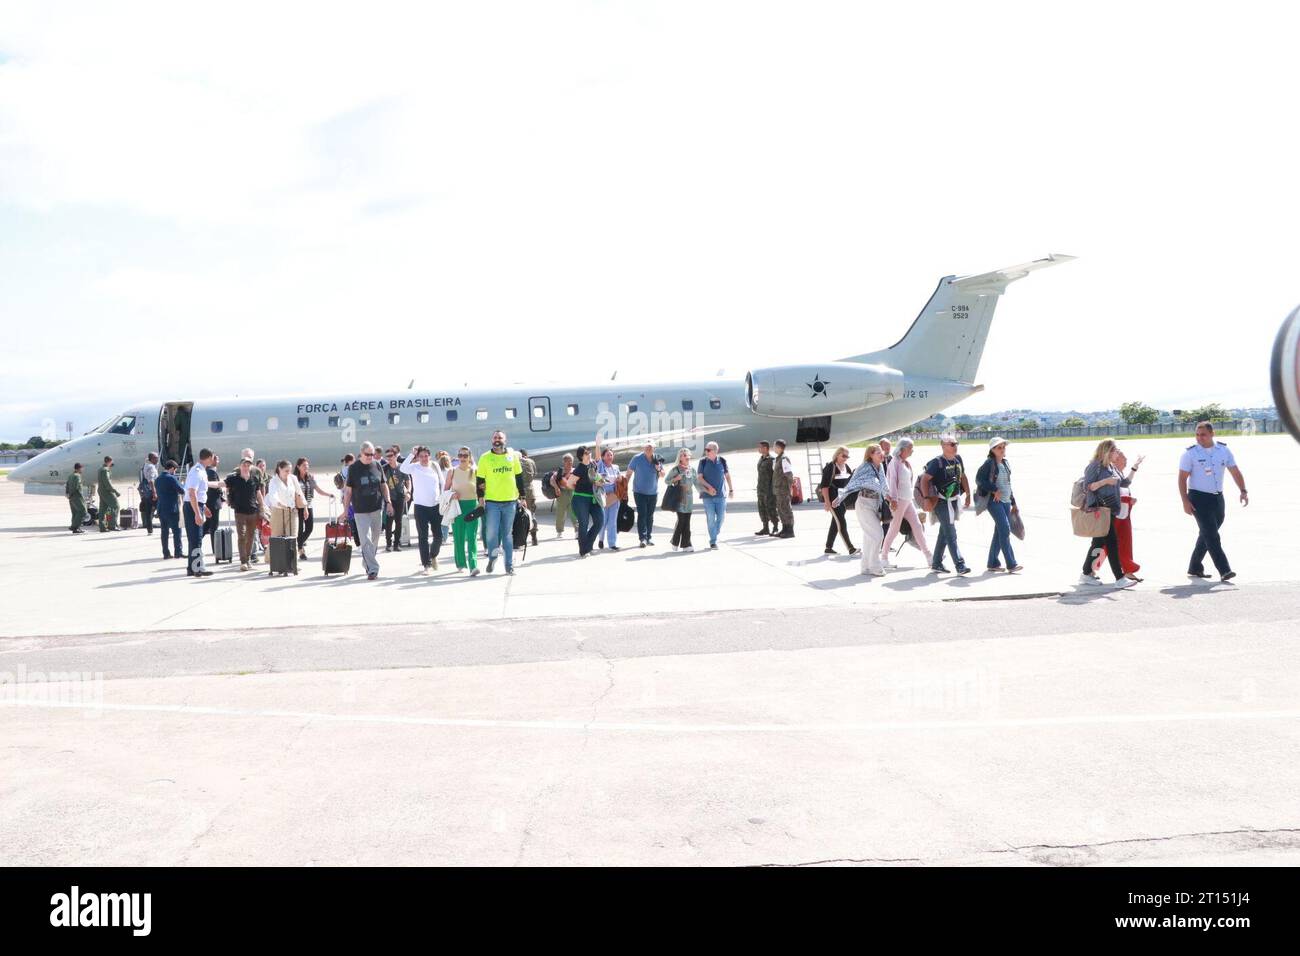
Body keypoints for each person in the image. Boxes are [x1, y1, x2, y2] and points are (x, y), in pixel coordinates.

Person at [1178, 420, 1247, 582]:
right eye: (1197, 434)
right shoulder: (1190, 454)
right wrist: (1185, 501)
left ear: (1212, 434)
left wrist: (1243, 490)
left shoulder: (1223, 450)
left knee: (1207, 533)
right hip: (1198, 498)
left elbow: (1235, 471)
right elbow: (1181, 479)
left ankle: (1195, 566)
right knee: (1212, 535)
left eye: (1203, 435)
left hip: (1217, 498)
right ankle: (1224, 570)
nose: (1199, 438)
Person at [1080, 439, 1136, 588]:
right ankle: (1119, 578)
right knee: (1112, 542)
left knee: (1098, 542)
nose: (1117, 453)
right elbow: (1087, 487)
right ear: (1107, 451)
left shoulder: (1111, 467)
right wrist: (1105, 482)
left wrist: (1134, 469)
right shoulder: (1094, 466)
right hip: (1100, 509)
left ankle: (1086, 573)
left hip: (1111, 509)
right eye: (1115, 451)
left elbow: (1123, 483)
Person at [834, 445, 888, 576]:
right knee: (878, 534)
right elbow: (852, 483)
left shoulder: (879, 467)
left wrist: (890, 497)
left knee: (869, 537)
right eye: (878, 452)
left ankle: (865, 567)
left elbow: (883, 485)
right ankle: (875, 565)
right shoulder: (864, 467)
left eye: (882, 452)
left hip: (876, 504)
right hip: (864, 504)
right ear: (871, 454)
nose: (882, 454)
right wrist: (840, 497)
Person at [920, 435, 971, 575]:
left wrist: (968, 494)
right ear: (943, 445)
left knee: (944, 532)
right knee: (951, 533)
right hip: (941, 502)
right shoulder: (937, 462)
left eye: (956, 443)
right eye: (952, 444)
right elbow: (924, 480)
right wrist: (925, 498)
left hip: (954, 500)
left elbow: (963, 476)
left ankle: (936, 563)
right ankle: (960, 564)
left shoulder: (958, 459)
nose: (955, 446)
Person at [476, 430, 524, 575]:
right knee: (491, 533)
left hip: (510, 502)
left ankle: (509, 565)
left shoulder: (513, 456)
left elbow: (519, 477)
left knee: (507, 534)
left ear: (505, 440)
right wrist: (481, 499)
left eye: (500, 437)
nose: (497, 440)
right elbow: (480, 481)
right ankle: (493, 557)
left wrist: (522, 496)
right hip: (492, 502)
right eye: (495, 437)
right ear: (492, 440)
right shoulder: (485, 458)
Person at [343, 442, 392, 580]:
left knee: (375, 539)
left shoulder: (377, 465)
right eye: (368, 454)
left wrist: (388, 502)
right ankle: (373, 569)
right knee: (366, 540)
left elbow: (383, 485)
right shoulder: (353, 468)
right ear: (361, 453)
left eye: (372, 454)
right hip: (360, 510)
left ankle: (367, 563)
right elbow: (348, 491)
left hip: (376, 508)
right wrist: (346, 510)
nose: (371, 456)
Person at [1093, 449, 1143, 580]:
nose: (1126, 460)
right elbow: (1112, 494)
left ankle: (1128, 570)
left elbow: (1126, 483)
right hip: (1114, 515)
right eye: (1123, 458)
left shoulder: (1119, 473)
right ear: (1115, 459)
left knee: (1126, 544)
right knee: (1104, 545)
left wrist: (1134, 467)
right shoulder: (1109, 473)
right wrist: (1127, 500)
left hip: (1124, 515)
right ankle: (1091, 569)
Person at [880, 437, 931, 566]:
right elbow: (892, 482)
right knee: (894, 529)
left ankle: (929, 557)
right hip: (899, 501)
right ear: (902, 449)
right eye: (910, 448)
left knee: (918, 526)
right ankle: (884, 558)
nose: (912, 451)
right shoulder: (894, 463)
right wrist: (894, 500)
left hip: (907, 500)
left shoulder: (905, 463)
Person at [976, 437, 1022, 573]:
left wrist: (1014, 502)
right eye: (999, 448)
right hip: (994, 501)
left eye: (1003, 447)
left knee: (999, 532)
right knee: (1005, 529)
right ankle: (1011, 564)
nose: (1002, 450)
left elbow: (1008, 484)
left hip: (1006, 501)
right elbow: (979, 479)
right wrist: (994, 489)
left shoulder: (1006, 463)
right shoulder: (989, 463)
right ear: (992, 450)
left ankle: (992, 563)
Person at [401, 445, 447, 575]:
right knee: (423, 537)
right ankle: (426, 564)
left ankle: (433, 555)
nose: (424, 458)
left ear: (430, 456)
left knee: (438, 536)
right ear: (418, 457)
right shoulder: (414, 467)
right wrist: (412, 454)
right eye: (421, 456)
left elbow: (442, 483)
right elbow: (403, 468)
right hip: (421, 507)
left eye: (426, 456)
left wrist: (443, 497)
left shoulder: (434, 466)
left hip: (435, 505)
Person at [224, 458, 266, 571]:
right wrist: (227, 497)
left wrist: (262, 507)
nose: (246, 467)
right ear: (240, 466)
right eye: (244, 465)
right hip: (239, 512)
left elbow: (258, 493)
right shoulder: (234, 478)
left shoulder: (254, 479)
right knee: (242, 536)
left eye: (248, 465)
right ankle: (243, 562)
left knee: (250, 537)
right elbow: (224, 485)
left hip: (252, 511)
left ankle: (247, 559)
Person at [446, 446, 480, 575]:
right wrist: (451, 494)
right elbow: (445, 490)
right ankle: (461, 563)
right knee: (458, 536)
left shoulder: (475, 471)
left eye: (465, 456)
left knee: (472, 537)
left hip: (472, 506)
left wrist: (481, 503)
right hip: (457, 506)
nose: (463, 458)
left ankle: (473, 565)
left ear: (470, 457)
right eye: (460, 455)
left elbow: (482, 489)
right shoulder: (452, 471)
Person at [818, 446, 858, 556]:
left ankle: (828, 547)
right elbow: (824, 487)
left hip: (843, 500)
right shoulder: (830, 467)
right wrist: (827, 502)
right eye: (843, 456)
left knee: (835, 523)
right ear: (837, 455)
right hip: (833, 500)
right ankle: (850, 548)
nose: (845, 458)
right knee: (841, 522)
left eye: (847, 456)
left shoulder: (846, 467)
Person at [294, 458, 335, 561]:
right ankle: (301, 550)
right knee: (299, 530)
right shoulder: (294, 479)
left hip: (309, 506)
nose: (306, 467)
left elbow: (317, 490)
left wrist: (328, 494)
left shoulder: (310, 478)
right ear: (298, 467)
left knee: (309, 528)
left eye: (307, 465)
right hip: (298, 507)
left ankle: (298, 544)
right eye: (304, 465)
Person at [183, 449, 216, 577]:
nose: (213, 460)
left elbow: (199, 494)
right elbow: (192, 493)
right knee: (196, 538)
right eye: (212, 458)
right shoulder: (196, 472)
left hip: (197, 505)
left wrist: (204, 507)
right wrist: (197, 513)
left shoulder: (201, 470)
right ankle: (197, 568)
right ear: (208, 458)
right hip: (192, 507)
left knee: (195, 538)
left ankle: (192, 567)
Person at [627, 442, 664, 548]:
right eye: (647, 447)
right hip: (639, 492)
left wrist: (658, 468)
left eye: (650, 448)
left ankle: (649, 537)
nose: (648, 449)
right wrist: (624, 487)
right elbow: (629, 473)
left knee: (650, 516)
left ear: (654, 449)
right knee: (642, 514)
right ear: (643, 448)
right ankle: (642, 538)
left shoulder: (657, 459)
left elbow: (662, 474)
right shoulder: (637, 458)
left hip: (653, 492)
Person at [695, 441, 731, 550]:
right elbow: (700, 478)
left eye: (708, 450)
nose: (706, 451)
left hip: (721, 496)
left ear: (716, 451)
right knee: (710, 518)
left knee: (721, 517)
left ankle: (714, 532)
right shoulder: (703, 462)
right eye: (706, 449)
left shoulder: (722, 461)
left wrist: (731, 489)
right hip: (707, 496)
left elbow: (727, 476)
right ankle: (713, 541)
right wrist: (709, 487)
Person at [664, 448, 701, 552]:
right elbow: (666, 481)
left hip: (689, 498)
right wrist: (675, 479)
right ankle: (675, 542)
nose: (687, 457)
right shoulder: (676, 469)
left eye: (688, 455)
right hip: (679, 497)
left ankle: (686, 545)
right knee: (681, 521)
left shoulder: (692, 470)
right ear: (680, 458)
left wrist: (704, 492)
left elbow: (697, 483)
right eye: (684, 455)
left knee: (687, 521)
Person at [265, 460, 303, 543]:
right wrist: (280, 504)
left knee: (292, 538)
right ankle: (270, 556)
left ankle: (292, 556)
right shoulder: (273, 481)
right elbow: (273, 496)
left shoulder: (293, 478)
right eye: (286, 471)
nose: (288, 473)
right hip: (278, 512)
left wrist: (305, 508)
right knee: (277, 540)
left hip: (292, 512)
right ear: (279, 469)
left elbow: (300, 493)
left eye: (290, 471)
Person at [382, 446, 411, 552]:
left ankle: (396, 544)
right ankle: (388, 543)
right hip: (389, 499)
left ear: (396, 456)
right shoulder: (384, 468)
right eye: (387, 456)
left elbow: (408, 481)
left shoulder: (402, 467)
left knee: (398, 521)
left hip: (399, 497)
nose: (389, 458)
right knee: (389, 521)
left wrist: (408, 492)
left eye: (391, 456)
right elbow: (381, 484)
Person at [155, 459, 184, 559]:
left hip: (161, 508)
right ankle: (178, 552)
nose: (175, 472)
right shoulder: (171, 478)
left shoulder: (158, 479)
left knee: (164, 532)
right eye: (175, 470)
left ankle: (166, 553)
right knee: (177, 531)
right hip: (172, 509)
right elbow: (181, 490)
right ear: (172, 468)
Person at [596, 447, 622, 551]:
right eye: (607, 455)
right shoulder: (601, 466)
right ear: (603, 457)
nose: (610, 457)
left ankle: (612, 543)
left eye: (611, 455)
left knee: (613, 521)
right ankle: (601, 539)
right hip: (603, 494)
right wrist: (597, 445)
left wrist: (620, 479)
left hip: (615, 495)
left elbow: (619, 478)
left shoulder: (616, 467)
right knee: (603, 520)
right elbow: (597, 459)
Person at [771, 439, 795, 538]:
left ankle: (790, 531)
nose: (773, 448)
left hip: (784, 489)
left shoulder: (784, 459)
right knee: (781, 509)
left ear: (779, 447)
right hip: (778, 489)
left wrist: (790, 488)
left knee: (786, 509)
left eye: (774, 446)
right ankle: (784, 529)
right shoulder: (778, 458)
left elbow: (789, 474)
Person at [550, 453, 575, 538]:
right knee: (560, 514)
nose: (570, 463)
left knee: (574, 513)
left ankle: (577, 530)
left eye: (571, 461)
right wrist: (557, 488)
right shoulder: (560, 472)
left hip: (572, 492)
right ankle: (559, 531)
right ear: (564, 462)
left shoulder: (575, 471)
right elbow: (552, 480)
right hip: (562, 493)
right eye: (568, 462)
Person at [204, 454, 225, 555]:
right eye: (217, 459)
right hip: (213, 503)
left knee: (208, 525)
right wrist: (221, 493)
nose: (218, 461)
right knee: (213, 526)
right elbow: (214, 487)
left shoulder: (209, 471)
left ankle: (197, 540)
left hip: (211, 502)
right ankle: (215, 548)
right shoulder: (211, 472)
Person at [755, 440, 777, 535]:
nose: (758, 449)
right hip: (761, 489)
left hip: (769, 490)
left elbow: (776, 475)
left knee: (770, 508)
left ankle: (775, 526)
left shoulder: (772, 460)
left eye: (760, 447)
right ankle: (765, 528)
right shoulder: (761, 459)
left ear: (765, 448)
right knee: (762, 508)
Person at [519, 449, 539, 546]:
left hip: (519, 492)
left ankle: (522, 539)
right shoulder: (531, 462)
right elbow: (535, 474)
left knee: (521, 516)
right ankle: (534, 537)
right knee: (532, 514)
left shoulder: (517, 462)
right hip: (531, 492)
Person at [96, 456, 120, 531]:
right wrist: (115, 491)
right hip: (107, 491)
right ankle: (112, 525)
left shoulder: (101, 469)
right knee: (115, 506)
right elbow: (107, 483)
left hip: (101, 490)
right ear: (110, 461)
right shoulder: (105, 470)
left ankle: (102, 527)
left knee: (103, 509)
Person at [138, 452, 159, 534]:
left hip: (146, 492)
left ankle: (149, 530)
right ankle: (166, 526)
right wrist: (154, 493)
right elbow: (151, 481)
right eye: (156, 458)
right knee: (161, 509)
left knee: (148, 511)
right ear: (152, 458)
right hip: (151, 492)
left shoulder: (146, 465)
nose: (157, 459)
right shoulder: (151, 467)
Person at [65, 463, 87, 534]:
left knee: (75, 512)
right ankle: (74, 526)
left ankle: (76, 528)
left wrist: (68, 494)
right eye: (81, 468)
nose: (82, 470)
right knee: (82, 511)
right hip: (77, 496)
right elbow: (76, 487)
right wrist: (72, 494)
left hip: (71, 497)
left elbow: (67, 485)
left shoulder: (70, 476)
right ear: (79, 468)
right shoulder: (77, 476)